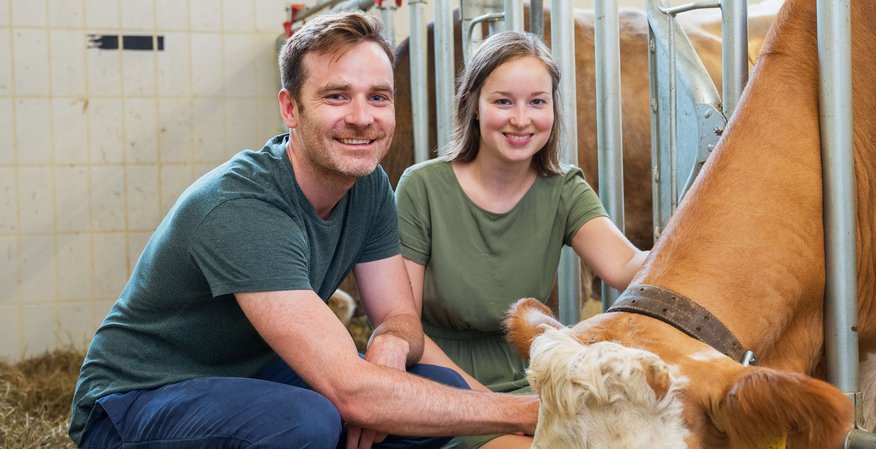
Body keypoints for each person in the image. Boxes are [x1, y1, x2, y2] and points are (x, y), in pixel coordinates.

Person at [69, 12, 538, 449]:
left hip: (254, 379)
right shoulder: (241, 206)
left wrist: (390, 350)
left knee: (439, 388)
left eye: (378, 96)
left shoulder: (368, 184)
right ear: (290, 109)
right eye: (336, 96)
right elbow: (351, 393)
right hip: (133, 400)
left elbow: (399, 316)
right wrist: (531, 411)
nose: (362, 116)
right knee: (307, 421)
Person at [394, 31, 649, 449]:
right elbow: (404, 329)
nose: (521, 119)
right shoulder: (422, 187)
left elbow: (627, 267)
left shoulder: (563, 187)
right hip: (441, 385)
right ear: (473, 106)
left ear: (553, 108)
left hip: (535, 380)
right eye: (502, 101)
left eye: (537, 101)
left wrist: (711, 247)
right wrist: (497, 408)